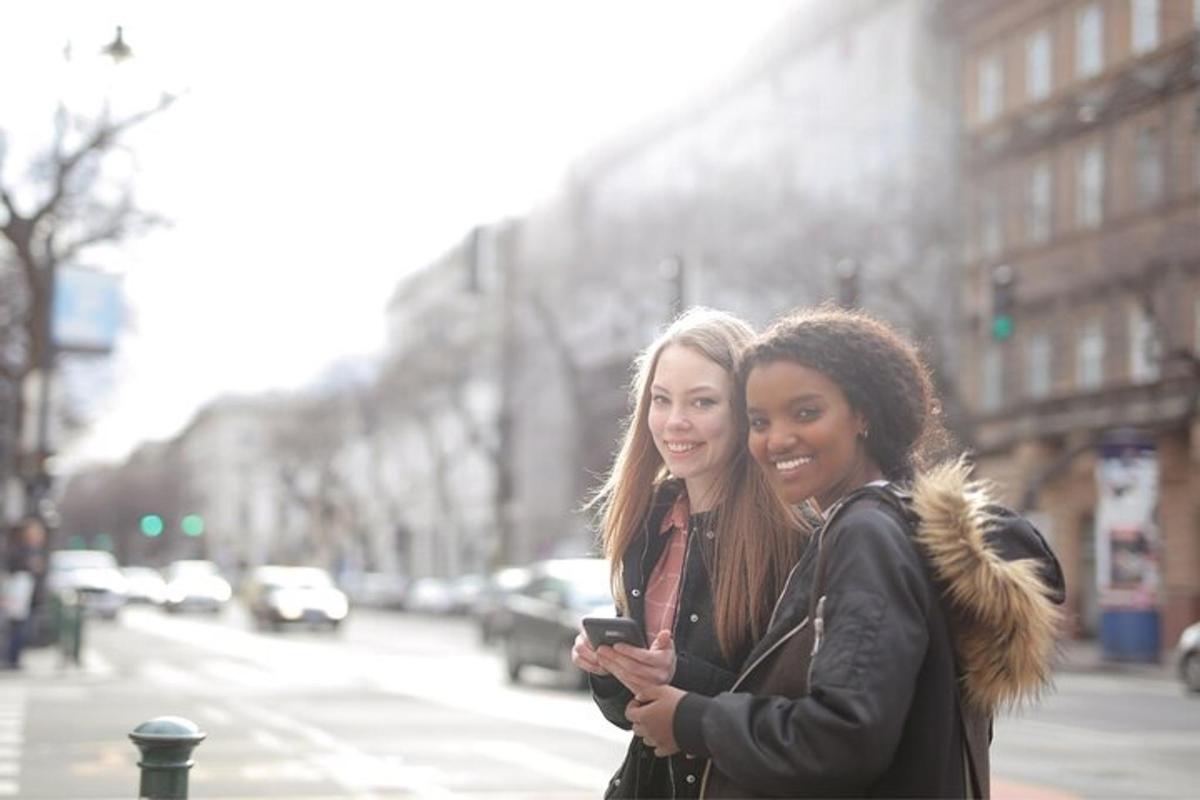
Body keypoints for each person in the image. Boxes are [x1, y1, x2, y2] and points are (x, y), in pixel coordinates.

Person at [627, 306, 1065, 798]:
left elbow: (843, 734)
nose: (777, 439)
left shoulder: (866, 534)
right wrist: (679, 683)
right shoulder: (895, 524)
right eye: (759, 420)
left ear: (863, 414)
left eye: (806, 413)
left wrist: (693, 721)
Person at [572, 307, 808, 799]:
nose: (675, 422)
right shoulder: (646, 521)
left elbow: (801, 719)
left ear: (746, 411)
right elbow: (632, 718)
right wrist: (610, 668)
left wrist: (677, 676)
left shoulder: (797, 535)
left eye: (702, 402)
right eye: (661, 400)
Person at [4, 517, 48, 669]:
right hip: (19, 596)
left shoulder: (29, 550)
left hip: (26, 596)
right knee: (18, 628)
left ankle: (13, 658)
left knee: (21, 628)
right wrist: (32, 566)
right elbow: (14, 569)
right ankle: (12, 659)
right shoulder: (20, 550)